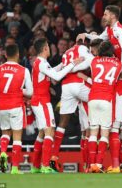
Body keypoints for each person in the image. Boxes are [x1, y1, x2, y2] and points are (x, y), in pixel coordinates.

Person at [30, 38, 83, 174]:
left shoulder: (40, 63)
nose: (49, 48)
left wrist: (63, 63)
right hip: (42, 101)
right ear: (45, 48)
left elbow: (51, 72)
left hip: (38, 101)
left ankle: (35, 165)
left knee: (42, 132)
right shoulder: (41, 63)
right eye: (48, 45)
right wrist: (71, 64)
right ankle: (45, 165)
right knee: (50, 131)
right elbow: (57, 77)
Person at [50, 40, 94, 171]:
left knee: (62, 123)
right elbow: (91, 61)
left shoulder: (66, 53)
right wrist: (77, 66)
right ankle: (90, 163)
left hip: (66, 86)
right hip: (78, 83)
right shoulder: (82, 48)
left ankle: (54, 157)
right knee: (99, 99)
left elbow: (63, 67)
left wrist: (70, 66)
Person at [0, 44, 33, 174]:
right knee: (17, 138)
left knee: (5, 133)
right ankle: (14, 168)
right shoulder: (23, 70)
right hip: (16, 105)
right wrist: (20, 90)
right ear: (18, 54)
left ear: (5, 55)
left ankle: (3, 156)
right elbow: (30, 93)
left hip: (2, 106)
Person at [87, 41, 122, 172]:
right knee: (104, 134)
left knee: (93, 133)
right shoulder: (118, 64)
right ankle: (99, 164)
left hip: (93, 98)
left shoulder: (94, 61)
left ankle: (91, 165)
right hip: (106, 99)